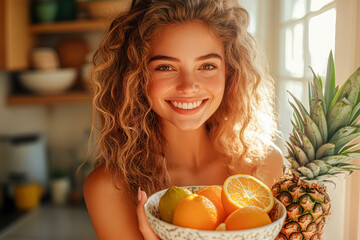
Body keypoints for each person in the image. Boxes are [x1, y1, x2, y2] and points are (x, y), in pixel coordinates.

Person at [83, 0, 283, 239]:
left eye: (207, 65)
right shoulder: (109, 189)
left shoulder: (266, 165)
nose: (188, 87)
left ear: (229, 72)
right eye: (165, 67)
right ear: (136, 77)